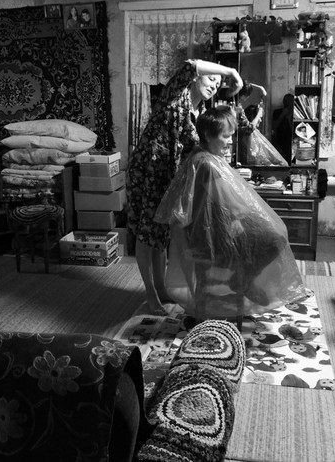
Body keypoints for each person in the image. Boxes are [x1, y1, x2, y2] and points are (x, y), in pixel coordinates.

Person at [155, 107, 305, 321]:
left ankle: (243, 280)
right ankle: (244, 280)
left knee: (269, 232)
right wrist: (247, 217)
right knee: (276, 236)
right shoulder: (207, 165)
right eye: (225, 136)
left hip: (208, 232)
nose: (230, 141)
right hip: (210, 238)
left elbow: (227, 203)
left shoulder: (200, 156)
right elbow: (233, 205)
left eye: (231, 136)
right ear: (208, 135)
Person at [126, 59, 244, 315]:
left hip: (168, 178)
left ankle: (161, 288)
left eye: (218, 84)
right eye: (211, 78)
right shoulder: (175, 96)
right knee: (146, 235)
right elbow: (190, 65)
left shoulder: (198, 114)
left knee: (160, 236)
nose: (214, 85)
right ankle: (150, 294)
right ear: (196, 78)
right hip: (146, 173)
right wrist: (230, 72)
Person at [272, 93, 295, 163]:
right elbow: (274, 127)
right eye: (286, 101)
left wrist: (289, 118)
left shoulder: (295, 114)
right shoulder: (277, 112)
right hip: (280, 140)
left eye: (290, 101)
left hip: (291, 141)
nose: (288, 104)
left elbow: (293, 130)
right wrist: (282, 114)